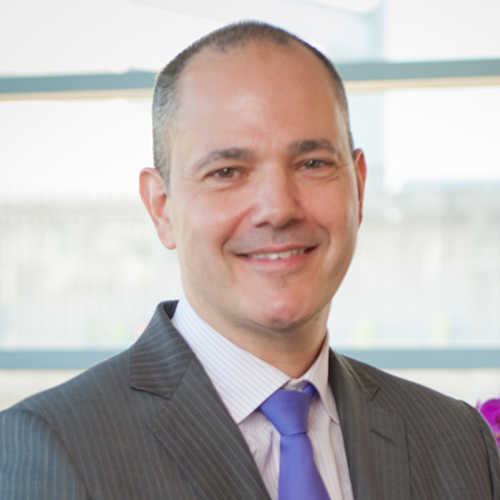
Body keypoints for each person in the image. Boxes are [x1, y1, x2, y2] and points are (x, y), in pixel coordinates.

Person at [1, 21, 499, 500]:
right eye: (227, 171)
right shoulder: (55, 446)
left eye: (312, 163)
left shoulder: (458, 441)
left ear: (359, 187)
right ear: (162, 208)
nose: (278, 207)